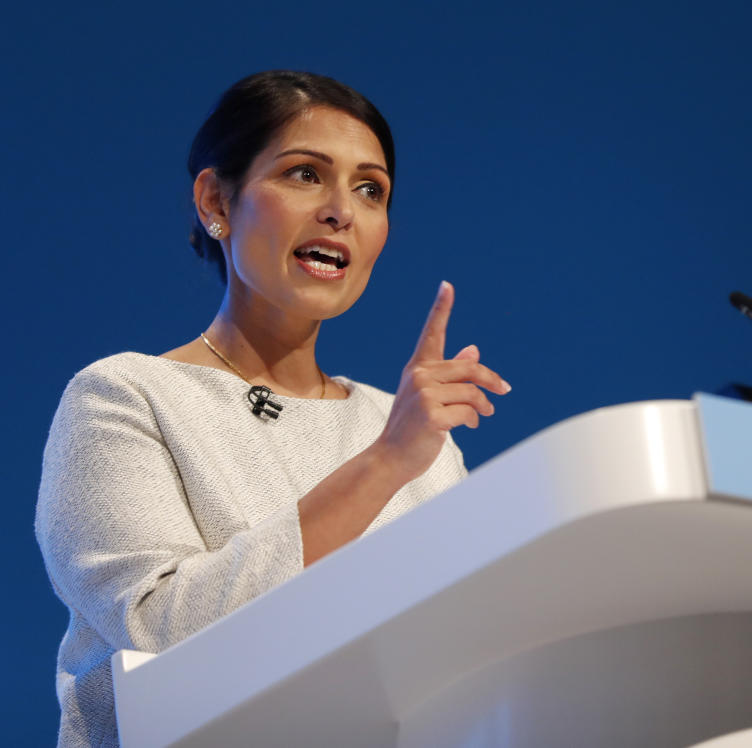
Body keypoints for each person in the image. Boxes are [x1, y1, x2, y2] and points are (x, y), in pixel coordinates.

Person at [34, 70, 509, 748]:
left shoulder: (403, 424)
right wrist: (384, 465)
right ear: (215, 202)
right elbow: (161, 626)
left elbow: (478, 651)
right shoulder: (125, 396)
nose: (341, 209)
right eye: (304, 175)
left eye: (370, 189)